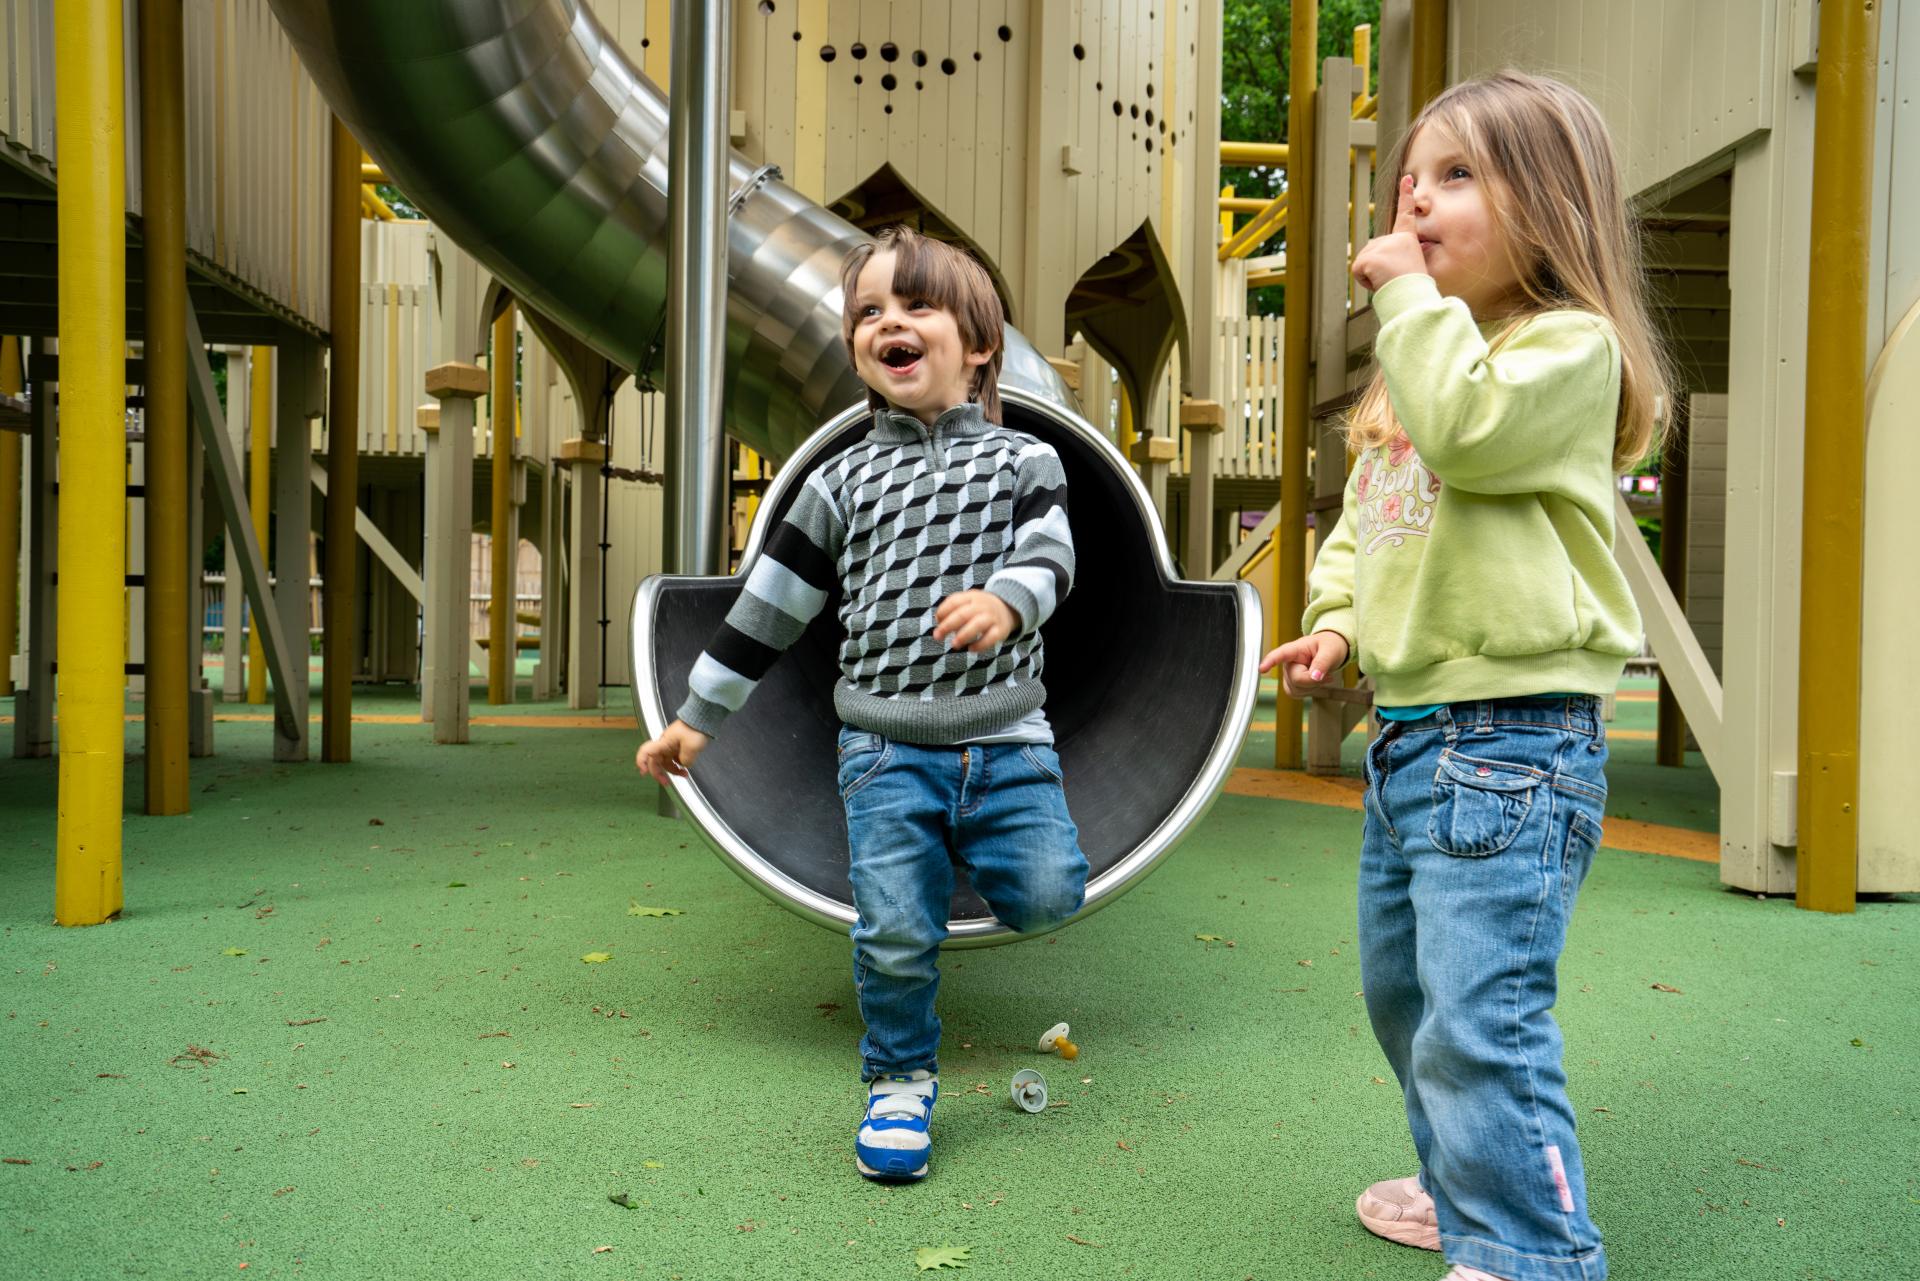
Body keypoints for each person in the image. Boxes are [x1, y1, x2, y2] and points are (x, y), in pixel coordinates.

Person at [1263, 71, 1670, 1281]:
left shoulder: (1565, 353)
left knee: (1481, 1016)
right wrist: (1336, 623)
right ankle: (1462, 1185)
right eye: (1407, 184)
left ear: (1548, 209)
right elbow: (1360, 526)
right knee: (1409, 999)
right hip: (1414, 740)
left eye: (1455, 178)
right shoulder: (1420, 370)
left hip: (1515, 742)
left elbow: (1471, 435)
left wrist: (1402, 301)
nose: (1415, 207)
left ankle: (1533, 1250)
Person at [635, 224, 1087, 1184]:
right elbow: (769, 610)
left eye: (917, 305)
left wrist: (1007, 597)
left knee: (1050, 894)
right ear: (857, 350)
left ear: (979, 344)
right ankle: (899, 1080)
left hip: (1008, 736)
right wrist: (697, 716)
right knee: (889, 930)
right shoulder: (834, 484)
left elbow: (1054, 556)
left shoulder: (1024, 460)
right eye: (869, 312)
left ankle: (964, 853)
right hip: (882, 747)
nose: (891, 322)